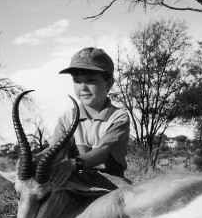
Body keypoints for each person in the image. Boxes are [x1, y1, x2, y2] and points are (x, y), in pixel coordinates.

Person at [36, 47, 131, 194]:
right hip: (77, 182)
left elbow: (104, 152)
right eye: (77, 81)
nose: (83, 88)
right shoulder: (67, 118)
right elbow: (56, 151)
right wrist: (37, 159)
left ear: (109, 83)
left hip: (109, 184)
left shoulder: (118, 117)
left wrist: (73, 164)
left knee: (130, 198)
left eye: (91, 80)